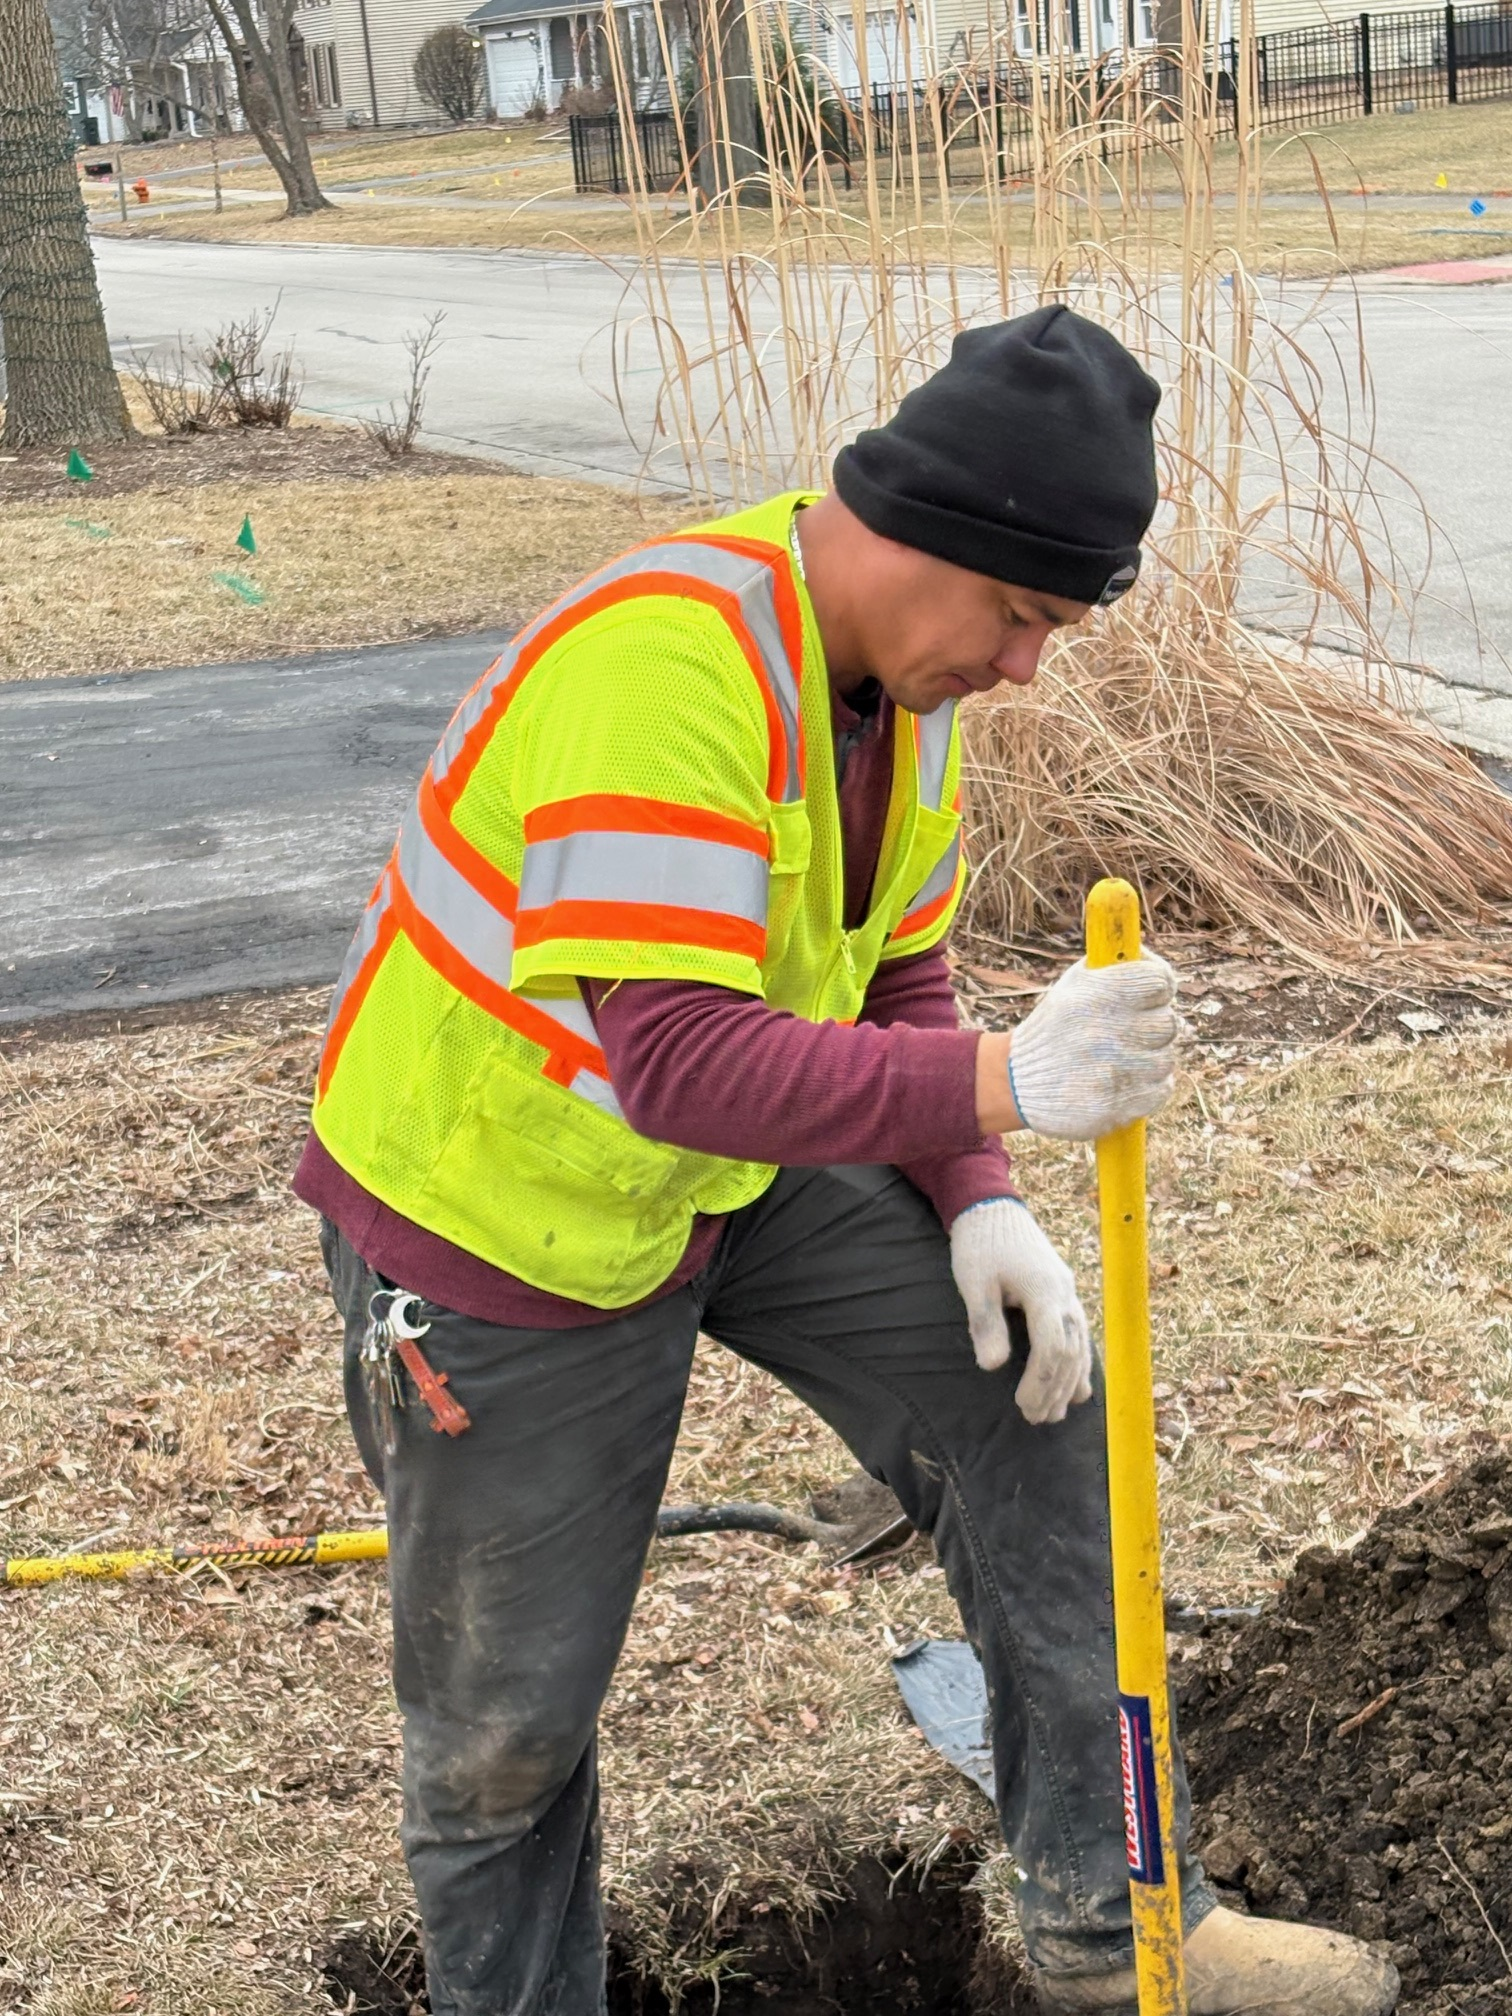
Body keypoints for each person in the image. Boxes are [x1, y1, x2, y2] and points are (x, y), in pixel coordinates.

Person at [297, 307, 1398, 2016]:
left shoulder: (901, 676)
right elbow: (669, 1060)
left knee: (1036, 1403)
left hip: (736, 1165)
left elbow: (892, 962)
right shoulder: (667, 668)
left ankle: (1113, 1932)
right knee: (507, 1727)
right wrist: (1010, 1086)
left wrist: (980, 1200)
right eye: (1023, 615)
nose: (1031, 667)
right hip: (501, 1214)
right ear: (919, 534)